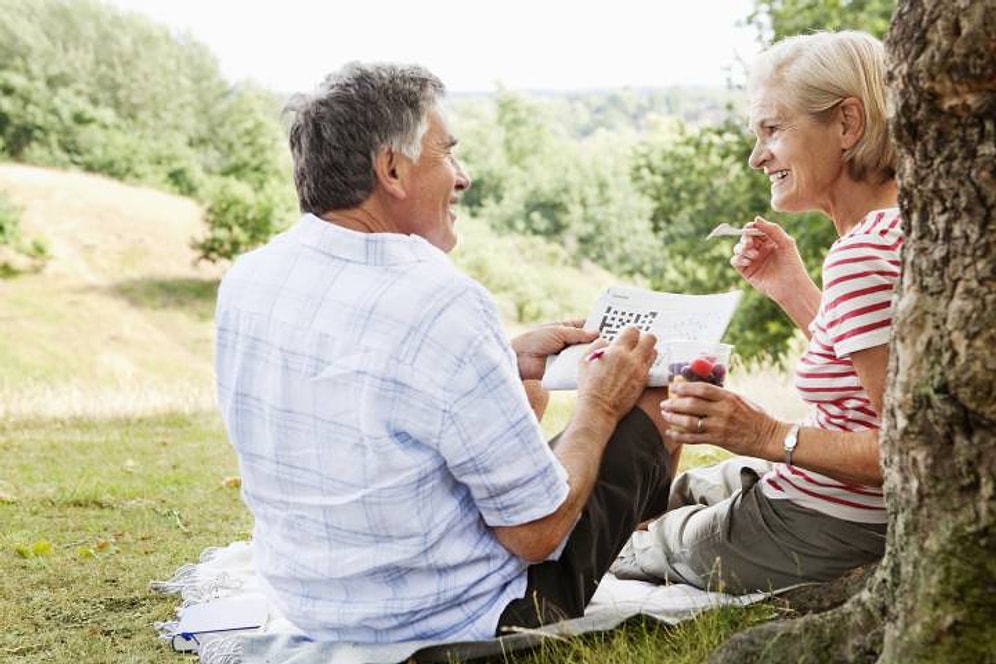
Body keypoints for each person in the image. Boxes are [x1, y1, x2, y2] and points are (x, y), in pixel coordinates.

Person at [214, 61, 676, 644]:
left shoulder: (250, 278)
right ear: (391, 169)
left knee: (536, 404)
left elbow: (362, 398)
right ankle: (659, 545)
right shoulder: (440, 301)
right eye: (448, 154)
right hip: (454, 622)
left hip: (311, 604)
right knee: (654, 392)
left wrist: (502, 364)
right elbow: (536, 533)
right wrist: (599, 406)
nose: (463, 176)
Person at [611, 30, 901, 594]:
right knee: (673, 496)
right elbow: (871, 381)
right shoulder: (898, 227)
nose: (756, 156)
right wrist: (792, 288)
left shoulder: (863, 253)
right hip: (822, 492)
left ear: (847, 123)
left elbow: (907, 449)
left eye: (773, 129)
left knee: (617, 541)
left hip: (834, 520)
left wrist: (762, 433)